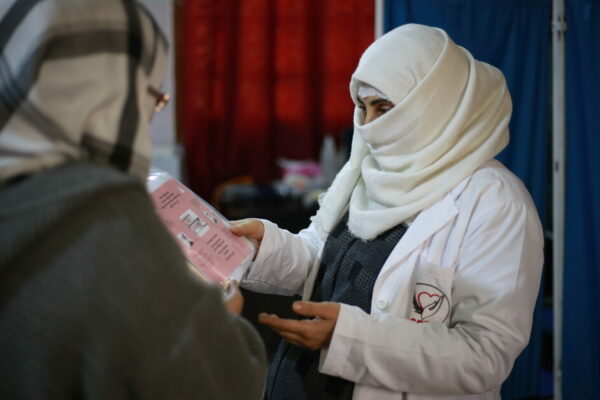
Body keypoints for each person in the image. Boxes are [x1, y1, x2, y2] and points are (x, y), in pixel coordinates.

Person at [232, 23, 544, 399]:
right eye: (362, 108)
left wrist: (350, 339)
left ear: (434, 104)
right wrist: (261, 246)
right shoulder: (371, 170)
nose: (368, 127)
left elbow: (483, 354)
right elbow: (323, 262)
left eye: (385, 108)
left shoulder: (496, 203)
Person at [0, 0, 266, 398]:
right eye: (151, 99)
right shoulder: (103, 219)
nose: (148, 119)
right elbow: (222, 382)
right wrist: (228, 319)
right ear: (110, 99)